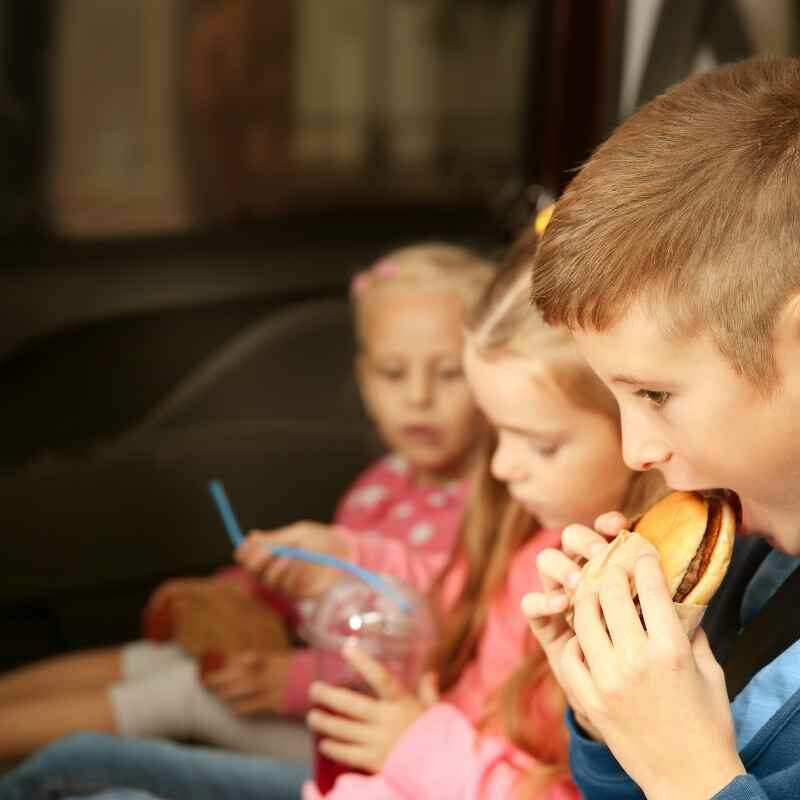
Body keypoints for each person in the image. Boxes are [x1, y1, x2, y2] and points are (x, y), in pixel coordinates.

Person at [0, 241, 664, 800]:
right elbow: (430, 612)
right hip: (382, 769)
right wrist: (281, 578)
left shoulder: (619, 606)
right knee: (76, 763)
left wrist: (414, 737)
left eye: (538, 444)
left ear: (641, 432)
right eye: (499, 435)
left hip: (396, 758)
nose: (498, 468)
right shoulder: (509, 529)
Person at [0, 243, 493, 762]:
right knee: (159, 659)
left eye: (449, 374)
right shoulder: (383, 480)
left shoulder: (492, 505)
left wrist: (294, 680)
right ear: (364, 376)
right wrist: (248, 591)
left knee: (187, 694)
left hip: (371, 729)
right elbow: (324, 585)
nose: (418, 396)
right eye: (393, 373)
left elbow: (440, 639)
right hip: (323, 671)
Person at [522, 55, 800, 800]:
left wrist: (691, 774)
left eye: (654, 392)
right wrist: (615, 719)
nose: (635, 449)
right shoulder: (751, 560)